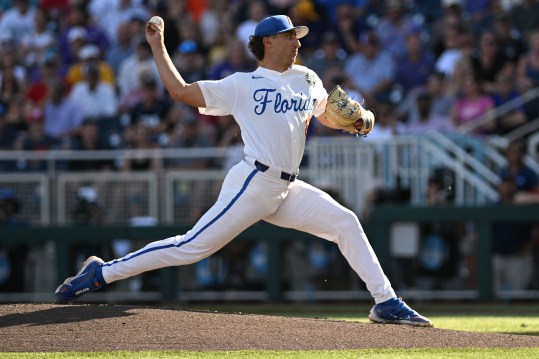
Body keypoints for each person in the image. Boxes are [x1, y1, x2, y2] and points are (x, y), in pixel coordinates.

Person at [55, 14, 433, 327]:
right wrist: (158, 46)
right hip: (253, 181)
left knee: (345, 222)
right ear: (268, 42)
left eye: (297, 37)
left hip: (287, 188)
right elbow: (182, 92)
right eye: (289, 37)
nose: (297, 42)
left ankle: (385, 302)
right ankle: (102, 273)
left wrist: (356, 121)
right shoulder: (242, 84)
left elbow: (326, 114)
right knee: (191, 247)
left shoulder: (308, 78)